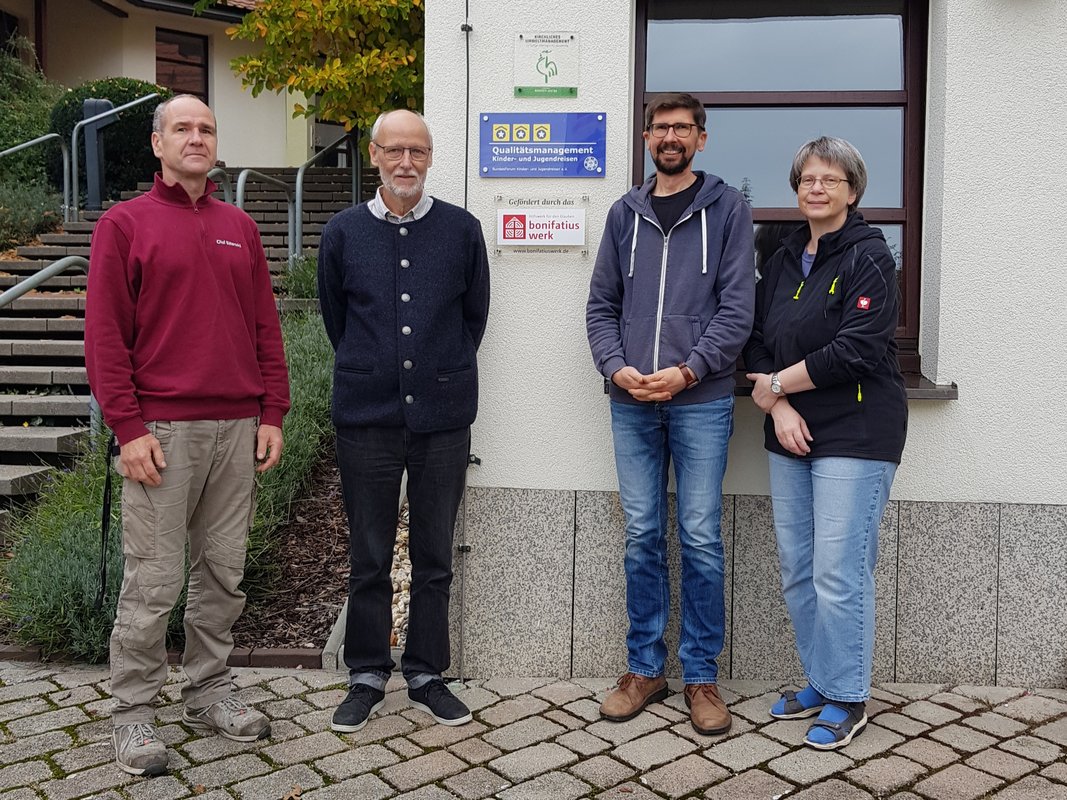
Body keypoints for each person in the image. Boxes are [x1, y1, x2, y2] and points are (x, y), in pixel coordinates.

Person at [85, 94, 290, 776]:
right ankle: (134, 712)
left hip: (237, 425)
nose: (196, 138)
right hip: (163, 431)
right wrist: (128, 427)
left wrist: (272, 413)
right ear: (157, 144)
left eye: (205, 128)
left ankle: (208, 687)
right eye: (182, 128)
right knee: (153, 578)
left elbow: (265, 325)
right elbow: (104, 337)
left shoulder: (240, 226)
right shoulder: (124, 225)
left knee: (223, 573)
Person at [586, 92, 754, 735]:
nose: (671, 137)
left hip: (701, 401)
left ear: (701, 139)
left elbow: (738, 310)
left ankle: (703, 677)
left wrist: (688, 371)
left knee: (702, 537)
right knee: (642, 535)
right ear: (647, 138)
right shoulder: (624, 214)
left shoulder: (729, 210)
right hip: (630, 401)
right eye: (660, 128)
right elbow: (601, 304)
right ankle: (645, 669)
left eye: (683, 128)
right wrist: (614, 366)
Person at [318, 109, 490, 733]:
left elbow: (473, 320)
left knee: (434, 553)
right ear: (374, 155)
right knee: (368, 552)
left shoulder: (463, 230)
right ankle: (365, 672)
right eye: (394, 151)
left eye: (417, 151)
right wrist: (378, 370)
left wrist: (435, 373)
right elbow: (336, 319)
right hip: (366, 418)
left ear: (430, 156)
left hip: (443, 418)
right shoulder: (341, 232)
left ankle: (425, 672)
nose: (406, 162)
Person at [743, 136, 908, 750]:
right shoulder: (784, 257)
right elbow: (755, 338)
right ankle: (822, 678)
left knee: (840, 573)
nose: (817, 188)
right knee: (800, 570)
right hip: (790, 427)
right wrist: (780, 404)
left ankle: (848, 696)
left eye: (830, 180)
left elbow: (858, 347)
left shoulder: (869, 256)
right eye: (808, 179)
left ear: (853, 191)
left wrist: (779, 384)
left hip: (857, 431)